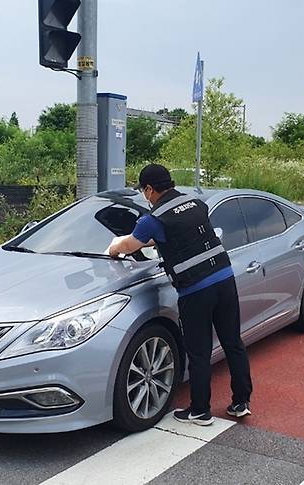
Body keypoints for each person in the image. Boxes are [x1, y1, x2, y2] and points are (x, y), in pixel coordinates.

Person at [107, 164, 253, 426]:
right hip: (224, 279)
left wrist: (114, 248)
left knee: (198, 352)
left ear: (150, 189)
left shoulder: (152, 219)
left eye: (144, 191)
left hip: (196, 290)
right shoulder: (196, 204)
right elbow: (183, 233)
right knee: (233, 342)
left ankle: (200, 411)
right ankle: (241, 402)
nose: (145, 196)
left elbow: (129, 245)